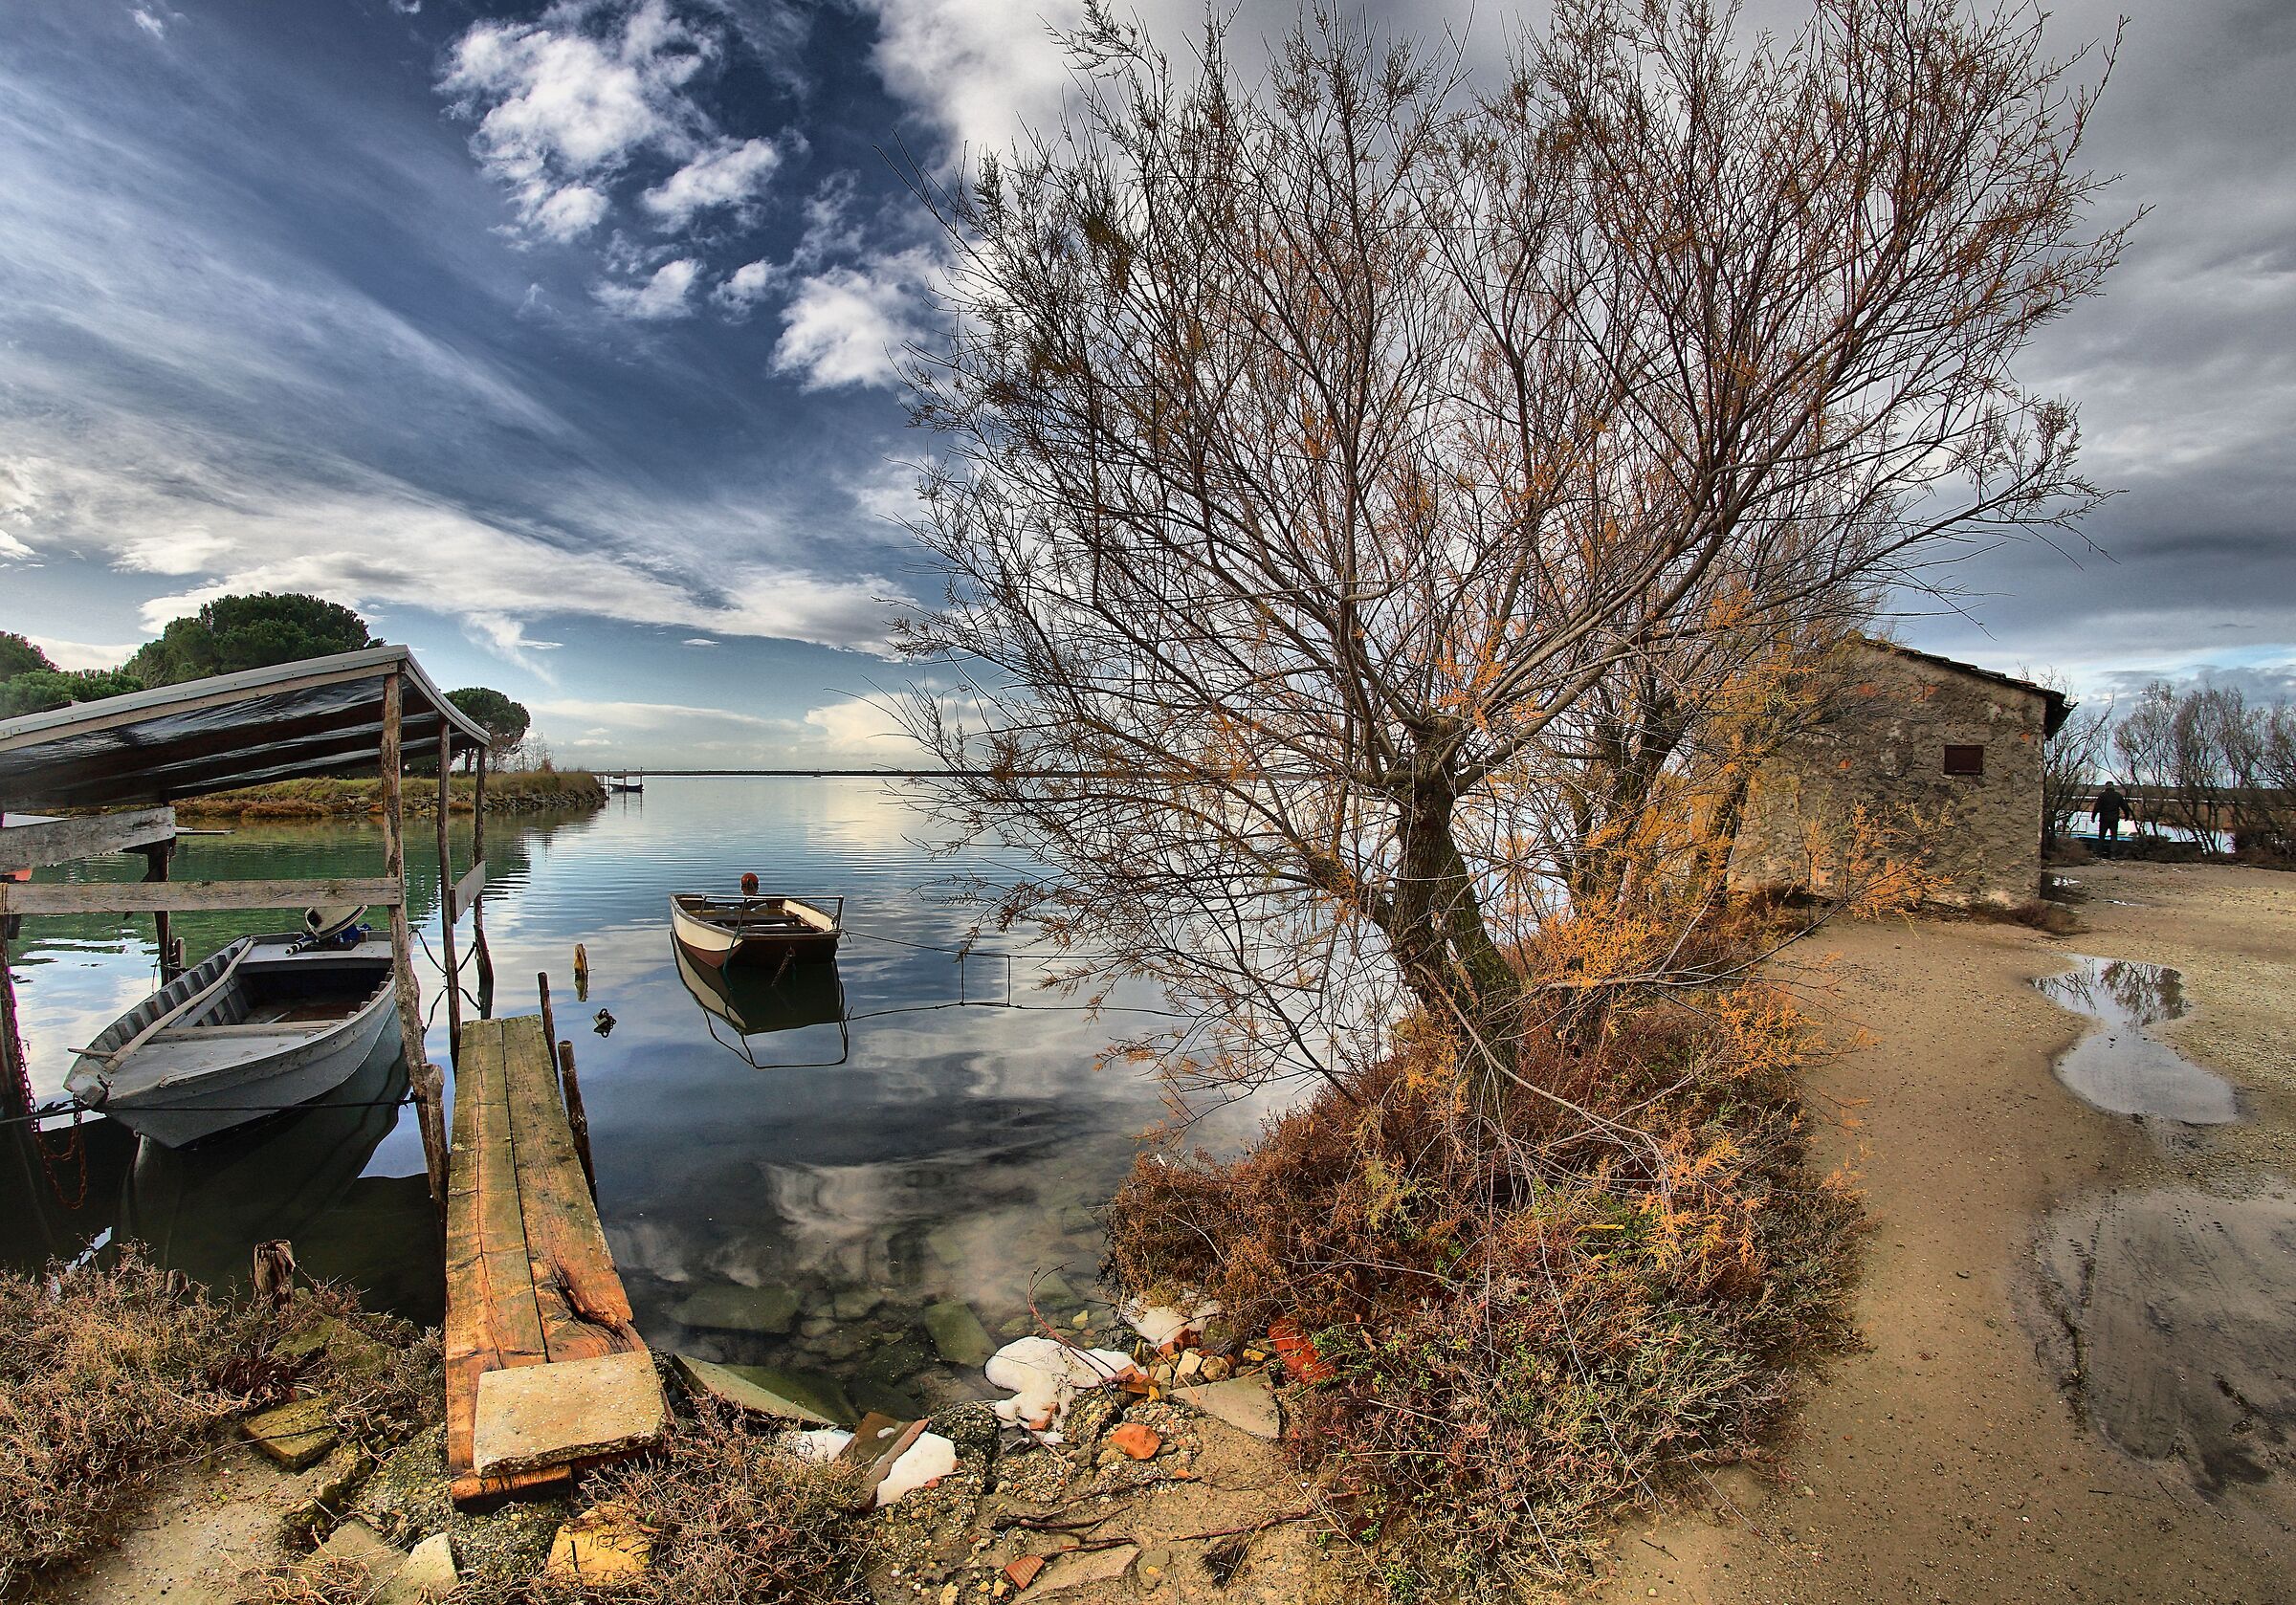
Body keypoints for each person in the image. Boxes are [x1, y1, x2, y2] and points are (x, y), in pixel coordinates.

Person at [2092, 781, 2129, 854]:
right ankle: (2113, 854)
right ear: (2113, 787)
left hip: (2104, 819)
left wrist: (2093, 817)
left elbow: (2097, 807)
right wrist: (2126, 816)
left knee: (2101, 836)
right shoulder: (2118, 796)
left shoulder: (2102, 796)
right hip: (2114, 819)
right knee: (2114, 836)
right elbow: (2124, 807)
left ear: (2106, 787)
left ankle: (2099, 853)